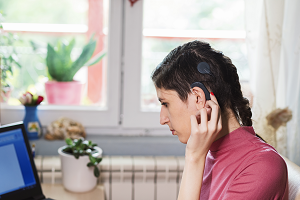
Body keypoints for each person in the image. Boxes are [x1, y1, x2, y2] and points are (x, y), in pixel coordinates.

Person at [151, 40, 288, 200]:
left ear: (199, 97)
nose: (162, 119)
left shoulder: (262, 166)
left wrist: (194, 158)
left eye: (165, 104)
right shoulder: (209, 152)